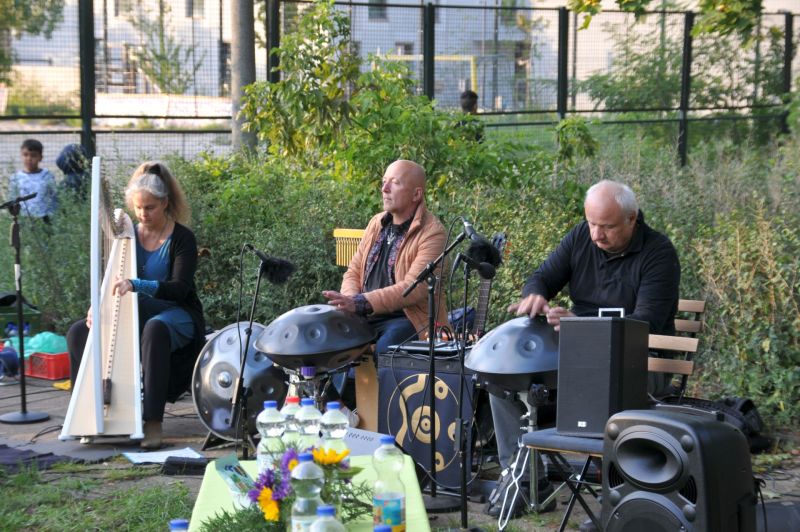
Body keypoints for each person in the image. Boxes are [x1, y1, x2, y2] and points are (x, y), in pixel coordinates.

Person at [486, 180, 680, 518]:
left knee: (603, 391)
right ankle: (523, 479)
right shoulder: (580, 237)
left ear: (632, 219)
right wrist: (535, 294)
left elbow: (644, 325)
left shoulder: (658, 254)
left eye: (606, 227)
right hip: (580, 360)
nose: (596, 235)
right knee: (503, 382)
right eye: (592, 223)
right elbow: (542, 277)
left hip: (640, 365)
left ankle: (618, 505)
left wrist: (580, 325)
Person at [66, 161, 205, 449]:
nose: (143, 214)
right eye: (138, 208)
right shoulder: (125, 238)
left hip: (175, 313)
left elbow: (179, 290)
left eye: (150, 207)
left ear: (165, 203)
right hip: (135, 311)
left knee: (155, 329)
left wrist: (137, 284)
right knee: (78, 332)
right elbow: (113, 283)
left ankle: (153, 421)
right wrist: (99, 305)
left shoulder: (182, 238)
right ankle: (91, 412)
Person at [322, 160, 449, 408]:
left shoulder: (433, 233)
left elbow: (414, 287)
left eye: (395, 182)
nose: (385, 188)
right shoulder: (376, 223)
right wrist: (349, 303)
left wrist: (359, 303)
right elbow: (354, 271)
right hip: (365, 312)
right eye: (383, 182)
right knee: (327, 338)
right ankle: (338, 410)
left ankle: (389, 418)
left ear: (416, 194)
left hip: (408, 319)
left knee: (388, 348)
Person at [7, 139, 58, 222]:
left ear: (40, 157)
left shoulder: (47, 176)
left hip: (44, 219)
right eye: (25, 155)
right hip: (24, 219)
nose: (29, 158)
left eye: (33, 155)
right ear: (21, 156)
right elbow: (11, 199)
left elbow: (54, 198)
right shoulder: (15, 178)